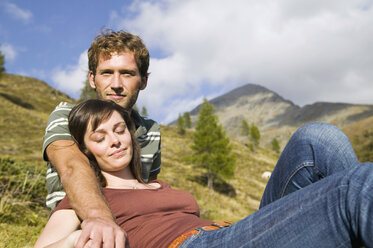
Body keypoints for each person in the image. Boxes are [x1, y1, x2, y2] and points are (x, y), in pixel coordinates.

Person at [35, 99, 373, 248]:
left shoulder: (157, 185)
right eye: (100, 137)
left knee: (317, 137)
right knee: (355, 187)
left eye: (119, 129)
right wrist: (80, 238)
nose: (115, 141)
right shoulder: (88, 201)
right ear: (88, 150)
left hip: (232, 233)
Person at [42, 30, 161, 247]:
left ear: (143, 80)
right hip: (82, 231)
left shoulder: (150, 130)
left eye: (127, 73)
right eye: (106, 73)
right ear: (92, 79)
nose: (116, 83)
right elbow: (71, 165)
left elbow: (148, 188)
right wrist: (99, 218)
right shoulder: (67, 116)